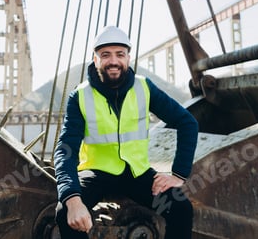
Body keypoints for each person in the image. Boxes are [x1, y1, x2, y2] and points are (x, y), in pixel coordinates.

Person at [54, 25, 198, 238]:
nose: (113, 61)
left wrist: (178, 175)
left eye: (119, 54)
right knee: (65, 212)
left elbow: (187, 122)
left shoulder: (144, 88)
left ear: (128, 58)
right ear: (95, 60)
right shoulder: (80, 96)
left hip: (137, 174)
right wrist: (72, 199)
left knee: (181, 208)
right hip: (96, 173)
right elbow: (65, 150)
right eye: (105, 55)